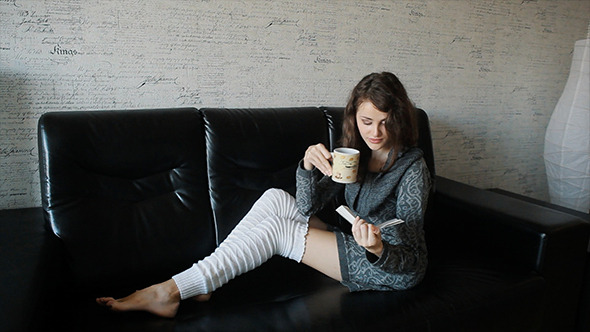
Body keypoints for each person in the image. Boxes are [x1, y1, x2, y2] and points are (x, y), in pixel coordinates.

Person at [96, 72, 432, 318]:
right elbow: (305, 207)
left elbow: (412, 254)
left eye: (385, 122)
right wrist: (306, 167)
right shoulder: (352, 156)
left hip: (392, 267)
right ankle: (207, 279)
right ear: (354, 118)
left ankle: (168, 291)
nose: (375, 132)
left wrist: (377, 247)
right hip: (353, 242)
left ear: (399, 119)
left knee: (277, 230)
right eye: (367, 121)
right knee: (275, 198)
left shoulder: (412, 167)